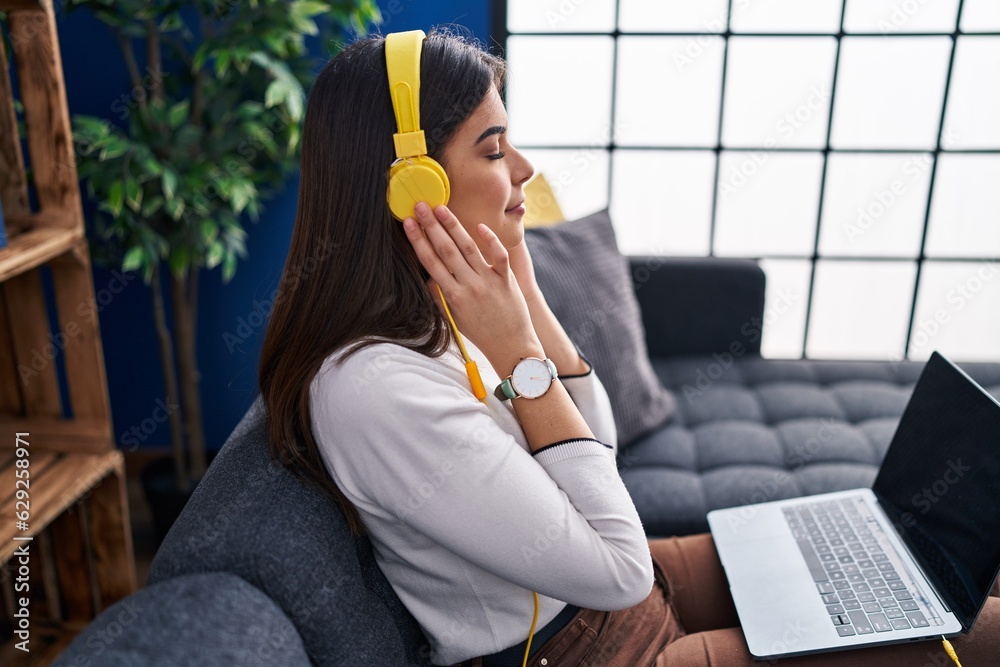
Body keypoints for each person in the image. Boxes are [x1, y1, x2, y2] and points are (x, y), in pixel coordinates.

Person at [257, 26, 1000, 667]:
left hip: (618, 601)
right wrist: (516, 350)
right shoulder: (377, 386)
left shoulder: (443, 310)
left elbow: (596, 445)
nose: (524, 171)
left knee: (907, 564)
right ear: (411, 185)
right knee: (984, 631)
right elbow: (615, 569)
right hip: (590, 647)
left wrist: (525, 290)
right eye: (494, 150)